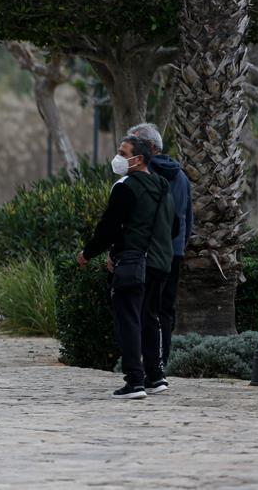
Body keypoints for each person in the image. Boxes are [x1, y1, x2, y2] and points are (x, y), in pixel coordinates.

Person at [77, 135, 177, 399]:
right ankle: (155, 377)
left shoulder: (127, 188)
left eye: (123, 153)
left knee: (129, 320)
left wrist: (88, 252)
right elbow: (175, 227)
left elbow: (109, 227)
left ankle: (134, 381)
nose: (118, 157)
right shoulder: (164, 187)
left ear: (139, 159)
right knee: (150, 318)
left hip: (133, 262)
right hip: (160, 264)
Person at [127, 123, 193, 367]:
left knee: (144, 308)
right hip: (173, 252)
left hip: (148, 251)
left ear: (149, 147)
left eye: (133, 141)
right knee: (165, 309)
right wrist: (179, 247)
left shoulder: (144, 175)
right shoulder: (183, 177)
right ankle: (162, 361)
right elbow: (187, 217)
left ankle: (146, 361)